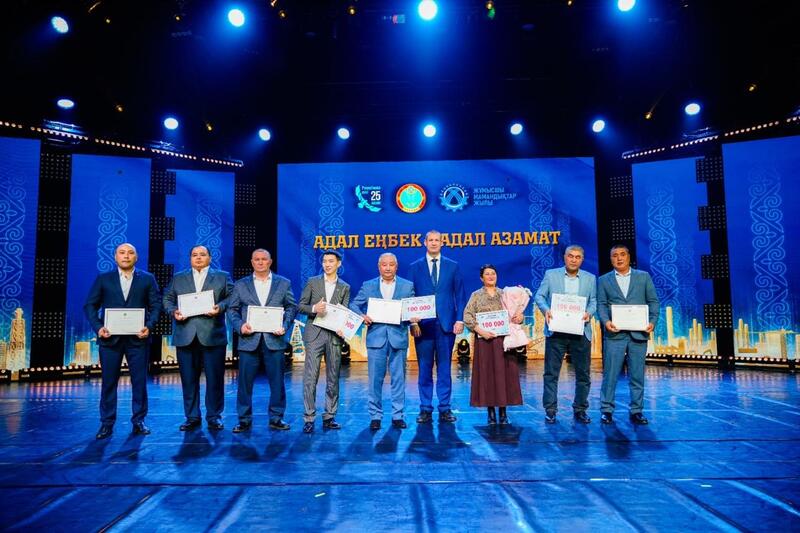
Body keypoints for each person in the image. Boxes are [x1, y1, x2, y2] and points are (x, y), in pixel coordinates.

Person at [84, 243, 161, 439]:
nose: (126, 256)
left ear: (136, 257)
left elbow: (156, 305)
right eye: (122, 253)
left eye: (130, 253)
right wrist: (98, 327)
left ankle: (139, 421)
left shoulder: (147, 278)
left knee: (139, 382)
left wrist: (149, 326)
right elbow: (90, 305)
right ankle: (106, 423)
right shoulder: (104, 278)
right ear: (115, 257)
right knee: (108, 383)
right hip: (110, 340)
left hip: (138, 340)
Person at [163, 245, 234, 432]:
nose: (198, 258)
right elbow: (167, 299)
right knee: (188, 379)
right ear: (190, 258)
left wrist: (219, 307)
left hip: (212, 335)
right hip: (185, 335)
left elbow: (233, 298)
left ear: (210, 257)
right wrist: (174, 311)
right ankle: (192, 416)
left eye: (202, 254)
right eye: (194, 255)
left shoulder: (222, 276)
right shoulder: (179, 277)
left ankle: (214, 416)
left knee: (215, 379)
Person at [227, 249, 297, 432]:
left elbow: (291, 307)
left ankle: (276, 418)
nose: (260, 262)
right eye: (256, 259)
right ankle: (244, 419)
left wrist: (284, 325)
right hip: (248, 341)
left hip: (274, 340)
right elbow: (232, 309)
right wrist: (240, 326)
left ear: (270, 262)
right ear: (252, 262)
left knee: (277, 382)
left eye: (264, 259)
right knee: (244, 383)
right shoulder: (241, 284)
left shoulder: (283, 283)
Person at [350, 253, 418, 430]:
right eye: (384, 265)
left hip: (398, 337)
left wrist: (414, 318)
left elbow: (412, 309)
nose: (388, 268)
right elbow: (354, 305)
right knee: (375, 380)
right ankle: (375, 416)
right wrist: (362, 316)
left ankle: (397, 416)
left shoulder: (407, 286)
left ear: (396, 266)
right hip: (376, 338)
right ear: (379, 266)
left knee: (399, 379)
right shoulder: (368, 285)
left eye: (391, 264)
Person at [407, 230, 466, 424]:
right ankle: (425, 408)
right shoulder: (414, 267)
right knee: (424, 368)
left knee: (444, 369)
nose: (433, 243)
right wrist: (413, 321)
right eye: (430, 240)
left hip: (446, 325)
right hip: (422, 326)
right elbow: (409, 296)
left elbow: (460, 295)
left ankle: (445, 408)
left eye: (437, 240)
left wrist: (459, 320)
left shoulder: (453, 266)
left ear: (442, 243)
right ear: (424, 243)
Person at [597, 244, 660, 425]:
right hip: (614, 335)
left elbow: (653, 302)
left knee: (637, 375)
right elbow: (601, 304)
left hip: (638, 334)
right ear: (611, 259)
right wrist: (606, 322)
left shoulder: (643, 277)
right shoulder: (604, 280)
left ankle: (636, 411)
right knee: (610, 375)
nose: (619, 258)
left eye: (622, 254)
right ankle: (606, 410)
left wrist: (652, 322)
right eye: (615, 255)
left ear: (628, 256)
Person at [534, 245, 597, 424]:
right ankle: (550, 410)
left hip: (580, 331)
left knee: (583, 374)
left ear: (582, 260)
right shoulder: (551, 275)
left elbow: (594, 301)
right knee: (551, 373)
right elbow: (539, 296)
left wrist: (589, 313)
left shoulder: (590, 278)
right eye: (570, 256)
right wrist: (546, 310)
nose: (574, 260)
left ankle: (580, 409)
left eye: (578, 257)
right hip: (556, 331)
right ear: (564, 257)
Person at [297, 249, 351, 433]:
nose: (327, 264)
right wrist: (314, 308)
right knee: (310, 378)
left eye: (331, 261)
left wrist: (343, 327)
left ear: (338, 264)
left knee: (333, 378)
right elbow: (300, 306)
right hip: (315, 335)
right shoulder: (313, 282)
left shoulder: (345, 287)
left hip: (334, 336)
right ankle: (309, 417)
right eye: (325, 261)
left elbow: (344, 312)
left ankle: (329, 416)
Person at [463, 264, 523, 425]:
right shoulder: (476, 295)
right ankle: (490, 412)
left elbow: (516, 314)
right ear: (481, 278)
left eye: (493, 273)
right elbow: (467, 316)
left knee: (504, 375)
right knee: (487, 375)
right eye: (487, 274)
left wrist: (520, 317)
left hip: (504, 341)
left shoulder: (505, 294)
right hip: (485, 342)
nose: (491, 276)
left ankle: (503, 412)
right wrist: (480, 330)